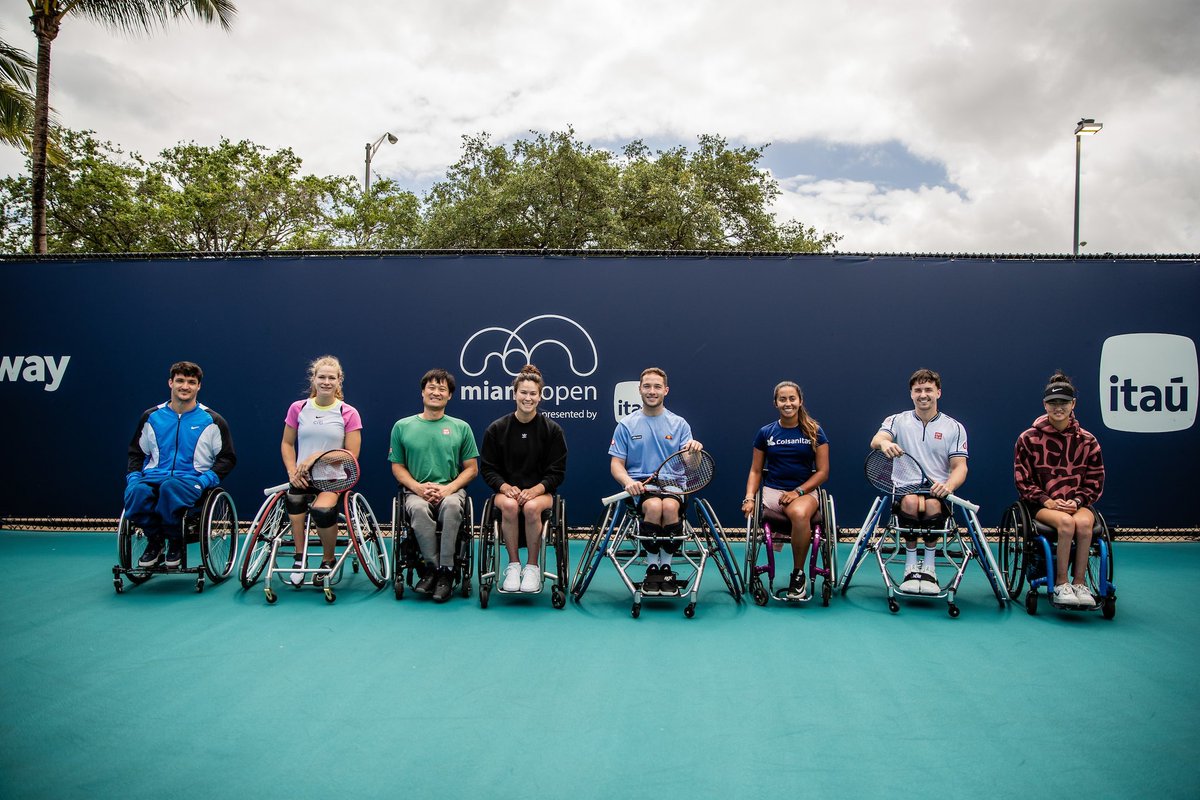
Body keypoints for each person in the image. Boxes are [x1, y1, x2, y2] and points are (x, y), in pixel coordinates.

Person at [124, 361, 236, 568]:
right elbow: (137, 453)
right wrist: (133, 478)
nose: (185, 386)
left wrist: (204, 480)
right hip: (153, 478)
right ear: (170, 383)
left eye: (191, 382)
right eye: (180, 381)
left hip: (191, 482)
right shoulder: (151, 417)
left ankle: (175, 540)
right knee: (136, 492)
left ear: (199, 386)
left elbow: (227, 458)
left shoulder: (213, 420)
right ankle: (155, 542)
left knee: (170, 488)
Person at [869, 368, 967, 595]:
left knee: (931, 505)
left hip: (938, 491)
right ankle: (911, 567)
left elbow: (960, 466)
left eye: (928, 390)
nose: (923, 394)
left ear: (938, 393)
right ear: (911, 394)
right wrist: (885, 444)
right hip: (905, 488)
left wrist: (949, 486)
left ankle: (929, 569)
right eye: (918, 390)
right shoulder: (896, 420)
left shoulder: (954, 427)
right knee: (913, 504)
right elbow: (878, 439)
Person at [609, 367, 703, 596]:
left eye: (657, 386)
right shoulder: (626, 425)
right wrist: (627, 482)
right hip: (641, 487)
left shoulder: (679, 424)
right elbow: (616, 465)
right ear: (640, 390)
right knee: (653, 506)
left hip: (673, 487)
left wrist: (696, 452)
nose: (652, 391)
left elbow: (691, 466)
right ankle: (652, 568)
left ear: (666, 390)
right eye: (647, 386)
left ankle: (666, 568)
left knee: (669, 506)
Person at [1013, 371, 1105, 607]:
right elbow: (1023, 481)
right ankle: (1061, 584)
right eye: (1053, 403)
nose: (1058, 408)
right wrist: (1047, 500)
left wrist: (1076, 501)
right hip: (1044, 507)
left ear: (1073, 404)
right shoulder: (1028, 438)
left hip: (1077, 504)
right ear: (1045, 405)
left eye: (1063, 402)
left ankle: (1080, 583)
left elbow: (1095, 481)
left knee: (1084, 523)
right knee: (1066, 523)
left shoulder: (1088, 441)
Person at [389, 368, 479, 603]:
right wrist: (417, 488)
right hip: (416, 491)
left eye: (442, 389)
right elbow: (397, 467)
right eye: (432, 387)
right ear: (422, 392)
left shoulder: (461, 427)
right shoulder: (402, 426)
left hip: (451, 490)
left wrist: (449, 489)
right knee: (418, 509)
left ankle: (447, 572)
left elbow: (471, 468)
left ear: (449, 396)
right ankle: (431, 570)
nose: (436, 392)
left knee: (451, 506)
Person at [480, 365, 568, 593]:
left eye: (532, 393)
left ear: (540, 396)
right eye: (523, 393)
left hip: (540, 494)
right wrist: (505, 487)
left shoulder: (552, 430)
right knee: (509, 505)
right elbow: (488, 469)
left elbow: (557, 472)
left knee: (530, 508)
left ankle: (532, 567)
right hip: (506, 493)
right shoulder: (497, 429)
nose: (527, 398)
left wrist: (536, 490)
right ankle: (513, 565)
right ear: (514, 394)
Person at [740, 381, 830, 600]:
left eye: (792, 398)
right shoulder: (765, 432)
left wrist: (798, 492)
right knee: (792, 511)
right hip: (772, 492)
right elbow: (755, 470)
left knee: (799, 513)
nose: (788, 403)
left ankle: (798, 575)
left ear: (800, 401)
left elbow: (823, 472)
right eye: (783, 399)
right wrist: (749, 498)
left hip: (805, 491)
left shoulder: (814, 431)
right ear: (775, 403)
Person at [280, 356, 363, 587]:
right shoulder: (299, 408)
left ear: (339, 381)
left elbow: (351, 454)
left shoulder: (348, 412)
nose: (326, 382)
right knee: (294, 501)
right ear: (314, 379)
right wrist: (291, 471)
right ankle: (300, 557)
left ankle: (328, 560)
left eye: (331, 378)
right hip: (302, 477)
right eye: (322, 377)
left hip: (333, 477)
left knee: (323, 510)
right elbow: (287, 444)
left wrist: (317, 457)